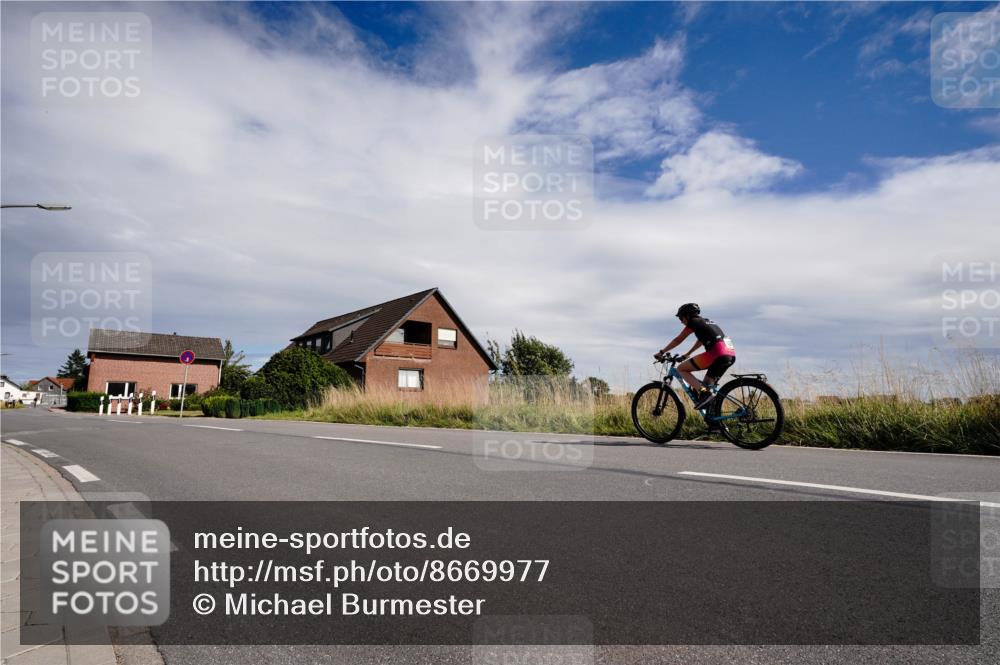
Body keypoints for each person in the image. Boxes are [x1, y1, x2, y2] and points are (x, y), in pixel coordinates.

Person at [654, 303, 736, 409]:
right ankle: (714, 419)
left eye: (681, 318)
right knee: (706, 385)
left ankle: (706, 394)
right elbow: (701, 341)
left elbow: (678, 339)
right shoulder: (707, 322)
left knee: (681, 369)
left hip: (716, 354)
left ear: (687, 316)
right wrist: (688, 353)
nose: (680, 321)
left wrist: (662, 352)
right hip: (729, 354)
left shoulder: (693, 322)